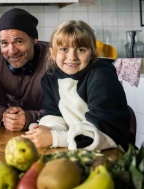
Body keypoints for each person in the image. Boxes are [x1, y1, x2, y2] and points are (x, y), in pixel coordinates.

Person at [23, 20, 131, 151]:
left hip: (111, 153)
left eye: (81, 49)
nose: (72, 57)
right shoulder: (50, 78)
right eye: (64, 49)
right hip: (75, 149)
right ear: (53, 53)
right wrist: (49, 130)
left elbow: (104, 128)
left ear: (92, 52)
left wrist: (55, 138)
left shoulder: (102, 76)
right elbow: (54, 114)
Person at [0, 8, 49, 131]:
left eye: (19, 41)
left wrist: (29, 117)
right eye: (4, 43)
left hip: (47, 131)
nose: (12, 51)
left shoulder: (54, 57)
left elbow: (63, 107)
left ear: (34, 40)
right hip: (8, 132)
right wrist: (6, 116)